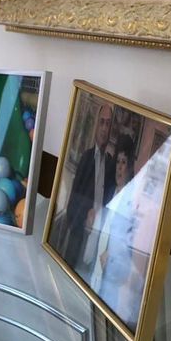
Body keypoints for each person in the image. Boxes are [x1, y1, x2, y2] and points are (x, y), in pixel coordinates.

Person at [92, 135, 147, 330]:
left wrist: (112, 259)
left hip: (114, 283)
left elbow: (131, 249)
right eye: (117, 162)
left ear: (131, 166)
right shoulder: (110, 191)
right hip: (98, 273)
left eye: (124, 163)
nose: (119, 168)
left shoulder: (133, 202)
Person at [61, 102, 115, 270]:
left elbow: (111, 200)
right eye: (102, 122)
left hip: (99, 236)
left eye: (108, 124)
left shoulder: (111, 164)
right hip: (80, 231)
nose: (104, 128)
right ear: (96, 125)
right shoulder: (86, 157)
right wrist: (86, 214)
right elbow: (73, 199)